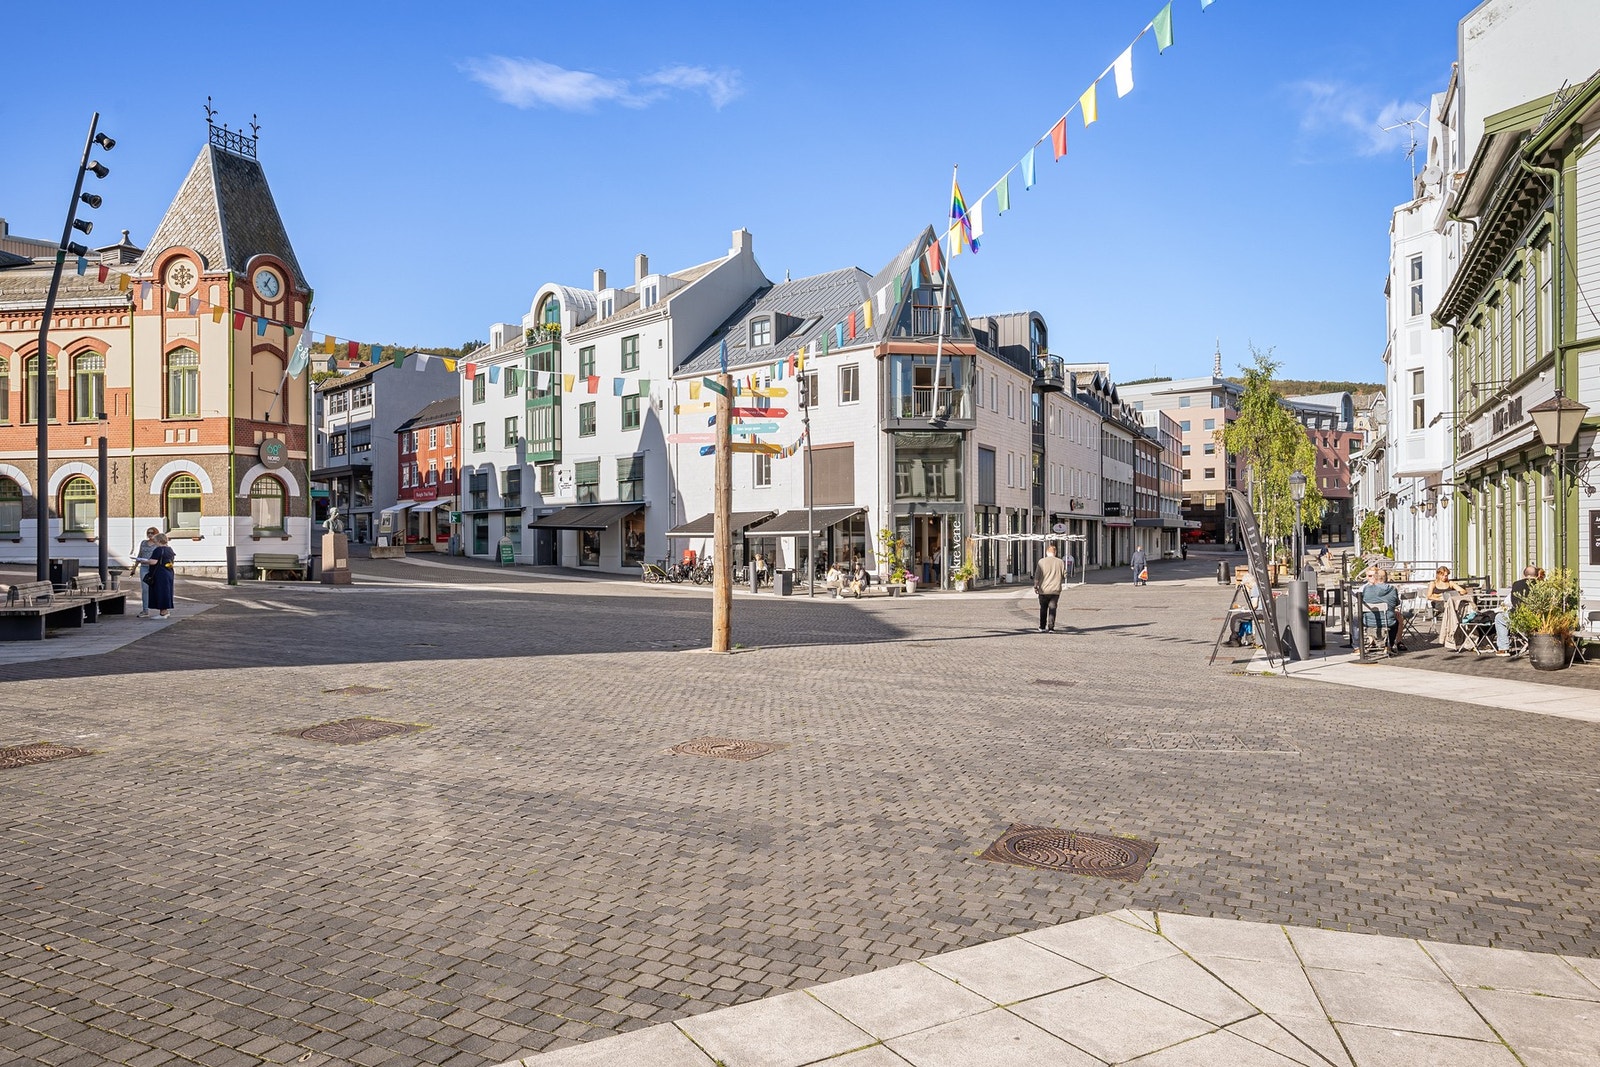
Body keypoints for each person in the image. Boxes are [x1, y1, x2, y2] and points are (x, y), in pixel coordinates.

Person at [1495, 565, 1538, 655]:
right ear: (1537, 575)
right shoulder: (1540, 585)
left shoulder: (1517, 584)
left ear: (1524, 574)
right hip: (1538, 620)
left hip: (1519, 619)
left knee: (1499, 618)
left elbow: (1512, 602)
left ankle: (1503, 648)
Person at [1361, 565, 1403, 653]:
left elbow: (1363, 602)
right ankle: (1388, 646)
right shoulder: (1392, 589)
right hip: (1388, 622)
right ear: (1386, 578)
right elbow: (1397, 603)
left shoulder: (1366, 589)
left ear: (1375, 578)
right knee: (1395, 621)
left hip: (1369, 622)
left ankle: (1372, 642)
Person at [1033, 543, 1067, 633]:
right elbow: (1065, 575)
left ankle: (1042, 626)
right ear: (1055, 552)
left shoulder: (1041, 562)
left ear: (1047, 552)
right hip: (1055, 590)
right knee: (1053, 608)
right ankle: (1051, 627)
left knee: (1043, 608)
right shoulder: (1060, 562)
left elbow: (1037, 575)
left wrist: (1036, 586)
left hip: (1043, 590)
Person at [146, 532, 177, 619]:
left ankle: (163, 613)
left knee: (160, 591)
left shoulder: (158, 550)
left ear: (159, 541)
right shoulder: (169, 549)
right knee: (166, 591)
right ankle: (165, 611)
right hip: (168, 572)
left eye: (155, 541)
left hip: (160, 573)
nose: (155, 543)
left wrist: (143, 561)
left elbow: (153, 562)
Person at [132, 525, 159, 619]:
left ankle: (162, 609)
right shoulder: (143, 543)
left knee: (157, 588)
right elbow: (140, 555)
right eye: (148, 533)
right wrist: (134, 568)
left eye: (152, 533)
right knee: (145, 589)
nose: (150, 534)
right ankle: (145, 610)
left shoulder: (158, 544)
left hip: (154, 568)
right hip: (144, 567)